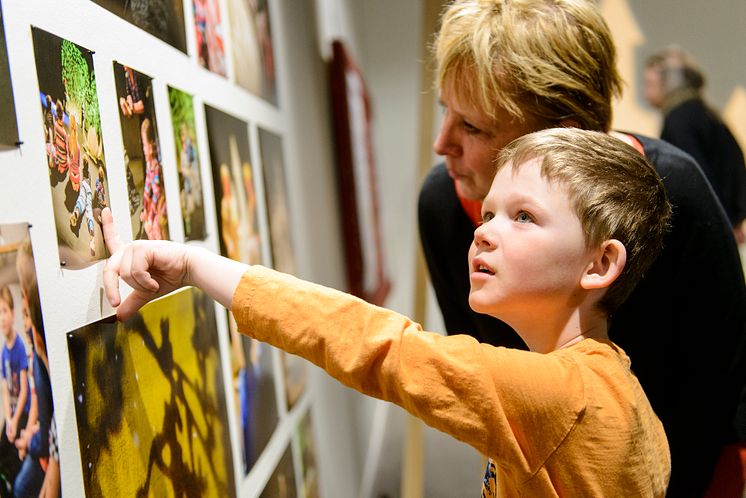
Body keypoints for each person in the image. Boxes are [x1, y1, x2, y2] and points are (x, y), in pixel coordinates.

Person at [103, 128, 672, 496]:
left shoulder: (566, 395)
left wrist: (195, 266)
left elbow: (378, 345)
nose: (485, 233)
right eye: (489, 212)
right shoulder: (608, 385)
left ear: (598, 265)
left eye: (523, 216)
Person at [416, 2, 746, 495]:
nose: (442, 144)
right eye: (445, 111)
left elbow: (715, 384)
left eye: (472, 127)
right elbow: (488, 382)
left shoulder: (673, 193)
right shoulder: (443, 203)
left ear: (563, 136)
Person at [643, 46, 746, 243]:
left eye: (649, 84)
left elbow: (691, 179)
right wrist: (736, 217)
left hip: (706, 231)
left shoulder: (680, 121)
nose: (645, 93)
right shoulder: (703, 113)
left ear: (670, 83)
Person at [0, 287, 28, 497]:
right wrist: (8, 418)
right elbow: (5, 388)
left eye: (4, 311)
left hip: (24, 414)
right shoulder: (3, 351)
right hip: (12, 416)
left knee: (16, 463)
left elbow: (24, 391)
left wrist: (15, 418)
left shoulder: (18, 347)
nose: (1, 318)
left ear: (12, 312)